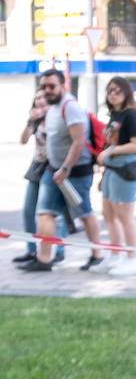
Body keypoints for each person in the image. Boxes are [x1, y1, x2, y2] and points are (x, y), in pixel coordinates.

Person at [21, 68, 105, 273]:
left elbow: (78, 142)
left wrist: (66, 168)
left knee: (84, 213)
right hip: (53, 171)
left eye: (51, 86)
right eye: (43, 87)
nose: (47, 90)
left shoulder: (71, 107)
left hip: (74, 172)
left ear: (62, 86)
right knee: (45, 213)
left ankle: (97, 254)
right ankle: (44, 259)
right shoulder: (52, 109)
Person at [96, 76, 136, 277]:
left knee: (125, 215)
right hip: (111, 169)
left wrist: (112, 151)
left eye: (117, 90)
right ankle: (115, 255)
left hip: (125, 168)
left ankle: (132, 259)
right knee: (108, 214)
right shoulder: (115, 115)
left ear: (126, 92)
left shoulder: (131, 115)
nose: (113, 94)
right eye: (109, 91)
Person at [15, 90, 67, 266]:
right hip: (37, 167)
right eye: (36, 99)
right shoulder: (36, 121)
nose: (39, 102)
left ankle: (59, 251)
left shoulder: (56, 120)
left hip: (53, 168)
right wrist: (31, 121)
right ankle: (31, 250)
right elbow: (23, 140)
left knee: (53, 214)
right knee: (29, 211)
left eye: (42, 99)